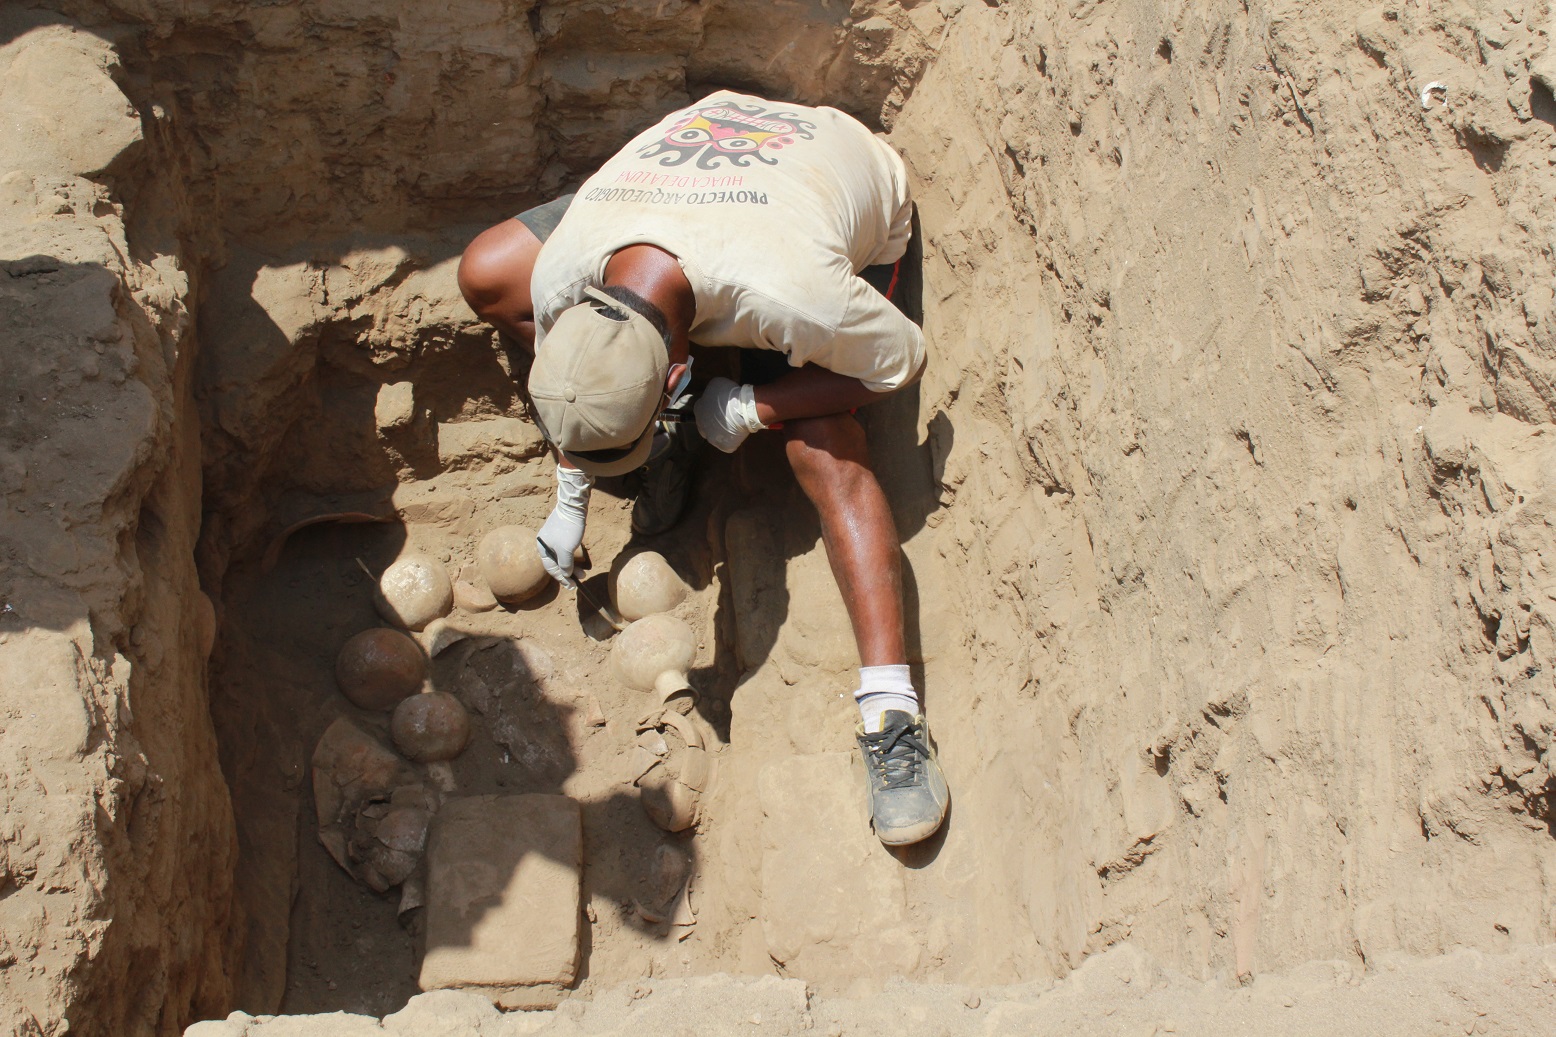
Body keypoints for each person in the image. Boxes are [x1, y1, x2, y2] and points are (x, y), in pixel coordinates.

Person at [457, 92, 948, 847]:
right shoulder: (563, 278)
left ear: (679, 366)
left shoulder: (793, 296)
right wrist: (571, 489)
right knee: (488, 269)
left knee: (821, 450)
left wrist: (752, 405)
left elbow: (900, 364)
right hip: (685, 187)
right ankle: (661, 437)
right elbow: (575, 365)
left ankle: (892, 712)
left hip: (826, 188)